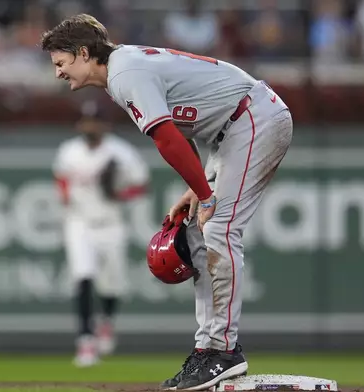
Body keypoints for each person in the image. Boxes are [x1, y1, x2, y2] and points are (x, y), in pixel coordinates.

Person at [40, 14, 293, 390]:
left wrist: (207, 194)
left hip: (253, 118)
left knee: (221, 227)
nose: (58, 73)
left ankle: (224, 351)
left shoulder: (124, 75)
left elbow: (166, 139)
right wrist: (197, 190)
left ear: (83, 53)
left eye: (61, 63)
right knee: (193, 232)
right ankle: (207, 349)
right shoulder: (121, 71)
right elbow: (178, 129)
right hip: (233, 130)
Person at [52, 100, 149, 367]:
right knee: (83, 278)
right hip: (80, 223)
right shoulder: (69, 151)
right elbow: (61, 177)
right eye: (86, 121)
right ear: (79, 124)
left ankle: (106, 321)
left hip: (111, 223)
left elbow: (141, 185)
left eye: (95, 121)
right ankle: (85, 341)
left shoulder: (121, 153)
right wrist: (65, 196)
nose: (90, 126)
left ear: (105, 125)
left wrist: (119, 193)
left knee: (111, 285)